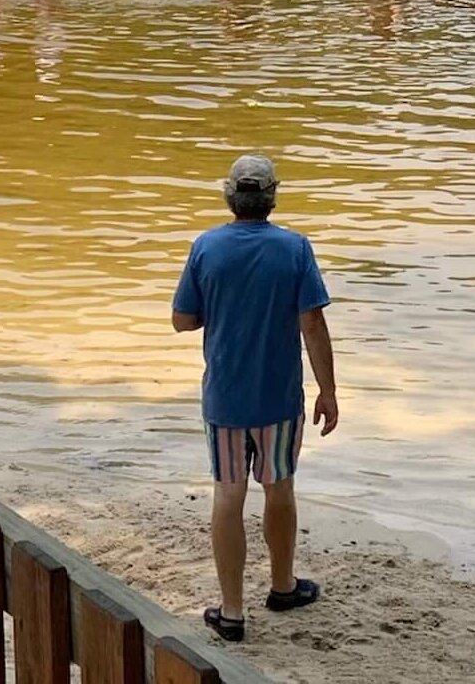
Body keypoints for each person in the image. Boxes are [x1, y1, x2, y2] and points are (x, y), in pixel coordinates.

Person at [171, 155, 337, 643]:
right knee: (279, 488)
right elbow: (312, 323)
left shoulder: (206, 247)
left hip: (224, 399)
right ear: (272, 198)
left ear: (229, 197)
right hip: (278, 398)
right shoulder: (294, 248)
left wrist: (223, 307)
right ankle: (283, 587)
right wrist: (328, 391)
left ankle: (231, 611)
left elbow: (182, 320)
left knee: (228, 493)